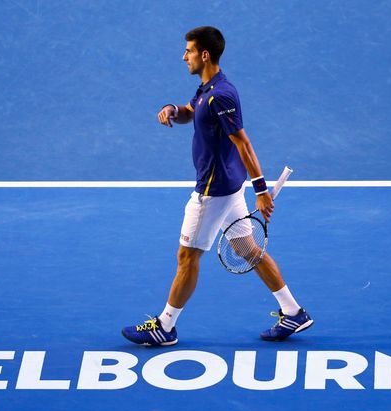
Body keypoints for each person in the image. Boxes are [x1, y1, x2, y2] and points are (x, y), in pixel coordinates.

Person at [121, 26, 312, 346]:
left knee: (187, 258)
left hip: (212, 193)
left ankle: (165, 327)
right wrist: (173, 110)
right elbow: (190, 112)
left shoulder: (221, 95)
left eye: (189, 51)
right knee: (249, 250)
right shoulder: (208, 87)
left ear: (204, 54)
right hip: (229, 188)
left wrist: (262, 191)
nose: (184, 57)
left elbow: (244, 144)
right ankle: (293, 311)